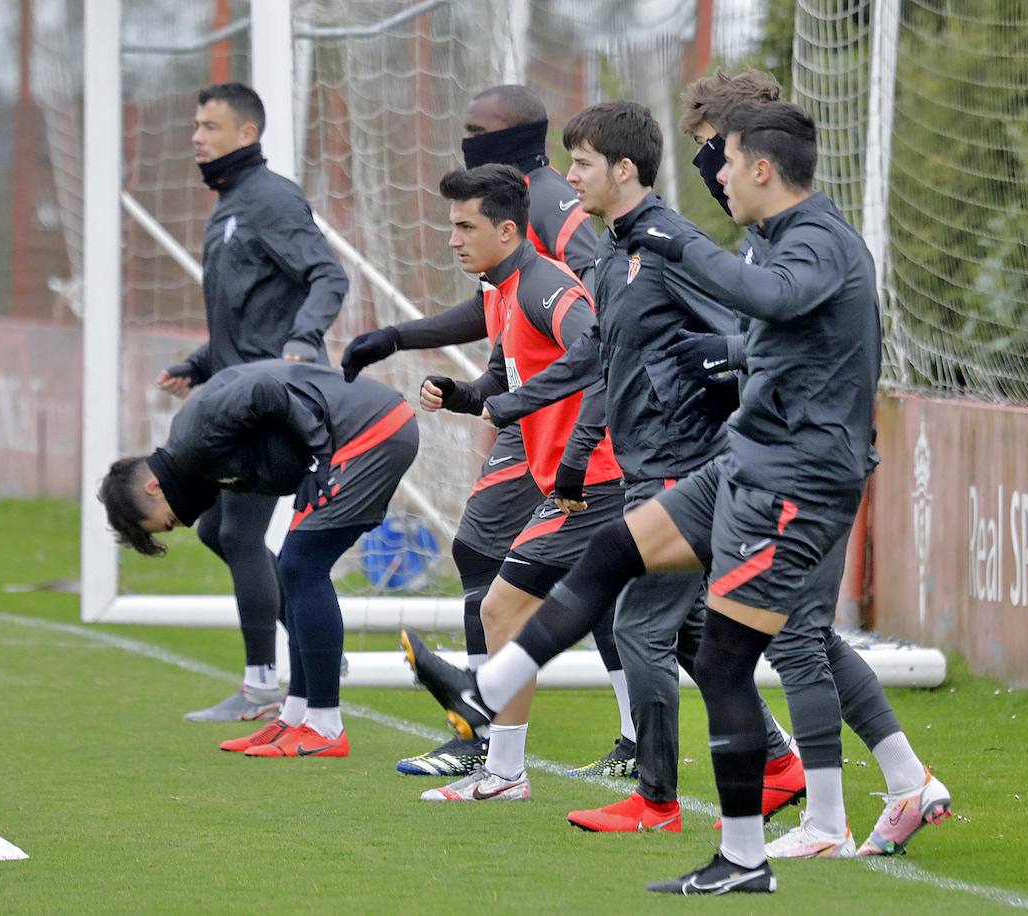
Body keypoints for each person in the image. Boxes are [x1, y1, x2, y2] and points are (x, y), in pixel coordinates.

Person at [403, 101, 951, 894]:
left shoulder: (818, 242)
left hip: (795, 477)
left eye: (721, 160)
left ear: (761, 167)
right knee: (615, 557)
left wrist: (680, 263)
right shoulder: (725, 241)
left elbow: (759, 304)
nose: (714, 175)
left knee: (733, 652)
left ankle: (745, 848)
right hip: (740, 465)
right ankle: (485, 693)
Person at [465, 100, 804, 834]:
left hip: (688, 467)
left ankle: (656, 801)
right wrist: (514, 406)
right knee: (681, 634)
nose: (568, 175)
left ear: (624, 169)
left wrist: (716, 411)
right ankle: (778, 763)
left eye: (581, 162)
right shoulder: (614, 251)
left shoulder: (671, 245)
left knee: (641, 628)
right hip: (648, 468)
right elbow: (596, 356)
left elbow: (744, 338)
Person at [340, 85, 636, 780]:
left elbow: (590, 323)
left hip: (583, 440)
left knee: (621, 604)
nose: (465, 135)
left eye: (477, 128)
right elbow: (500, 324)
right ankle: (505, 736)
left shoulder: (554, 212)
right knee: (574, 584)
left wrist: (542, 409)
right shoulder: (507, 247)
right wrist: (464, 384)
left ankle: (489, 730)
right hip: (545, 427)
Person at [402, 163, 627, 803]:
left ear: (506, 229)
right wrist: (460, 395)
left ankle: (501, 764)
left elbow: (599, 354)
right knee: (658, 629)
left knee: (504, 606)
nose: (453, 239)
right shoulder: (501, 289)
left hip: (596, 482)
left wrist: (572, 449)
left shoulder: (546, 289)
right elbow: (501, 384)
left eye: (464, 226)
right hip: (576, 481)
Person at [100, 359, 417, 759]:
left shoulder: (193, 436)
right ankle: (295, 716)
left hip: (371, 430)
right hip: (357, 434)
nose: (177, 524)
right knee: (292, 567)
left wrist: (318, 454)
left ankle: (326, 726)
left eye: (165, 523)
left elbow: (264, 390)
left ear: (153, 487)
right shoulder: (194, 457)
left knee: (302, 567)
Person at [156, 82, 350, 722]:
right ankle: (318, 642)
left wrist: (302, 341)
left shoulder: (270, 198)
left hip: (275, 400)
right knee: (215, 526)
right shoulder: (230, 204)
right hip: (237, 394)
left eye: (209, 125)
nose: (196, 136)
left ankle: (264, 682)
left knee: (236, 530)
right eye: (195, 124)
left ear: (247, 134)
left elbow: (328, 275)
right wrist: (199, 364)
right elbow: (245, 317)